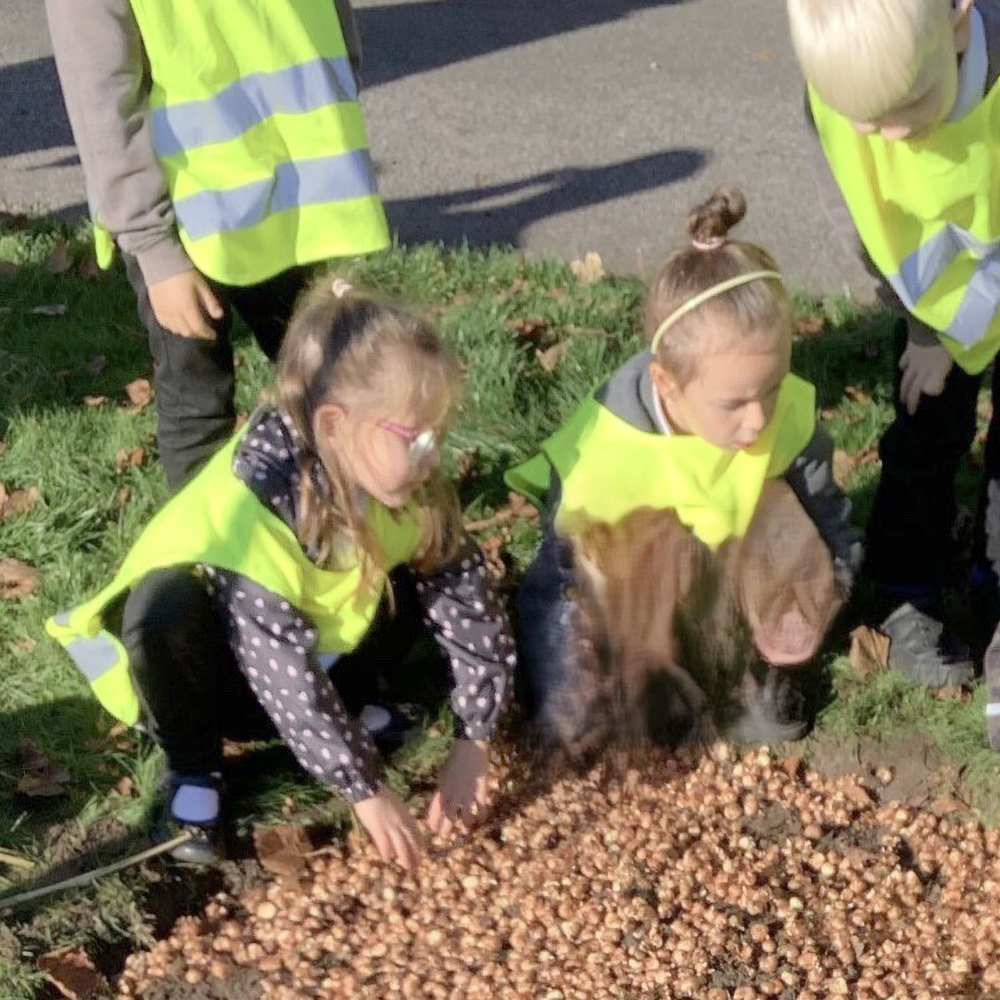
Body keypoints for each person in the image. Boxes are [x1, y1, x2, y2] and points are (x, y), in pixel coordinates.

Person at [47, 279, 515, 867]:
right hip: (212, 678)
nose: (433, 457)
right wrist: (363, 788)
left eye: (439, 435)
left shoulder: (408, 488)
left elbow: (466, 598)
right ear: (335, 426)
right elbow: (279, 669)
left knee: (415, 571)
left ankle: (349, 705)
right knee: (164, 606)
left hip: (310, 654)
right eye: (415, 438)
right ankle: (196, 774)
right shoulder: (256, 510)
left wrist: (476, 736)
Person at [506, 189, 861, 749]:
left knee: (766, 728)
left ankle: (740, 658)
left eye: (771, 388)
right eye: (734, 403)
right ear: (667, 384)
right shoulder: (607, 455)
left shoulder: (783, 412)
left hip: (720, 553)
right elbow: (581, 584)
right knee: (583, 724)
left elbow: (827, 518)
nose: (757, 419)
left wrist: (827, 584)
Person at [45, 0, 389, 491]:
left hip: (289, 194)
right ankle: (207, 555)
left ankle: (359, 521)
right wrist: (155, 249)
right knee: (197, 400)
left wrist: (339, 86)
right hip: (185, 221)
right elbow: (100, 101)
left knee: (328, 375)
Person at [786, 0, 1000, 688]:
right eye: (865, 120)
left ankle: (991, 580)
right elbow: (866, 228)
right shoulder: (848, 93)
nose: (889, 135)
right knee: (925, 426)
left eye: (908, 105)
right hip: (935, 310)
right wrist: (927, 331)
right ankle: (909, 590)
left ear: (960, 20)